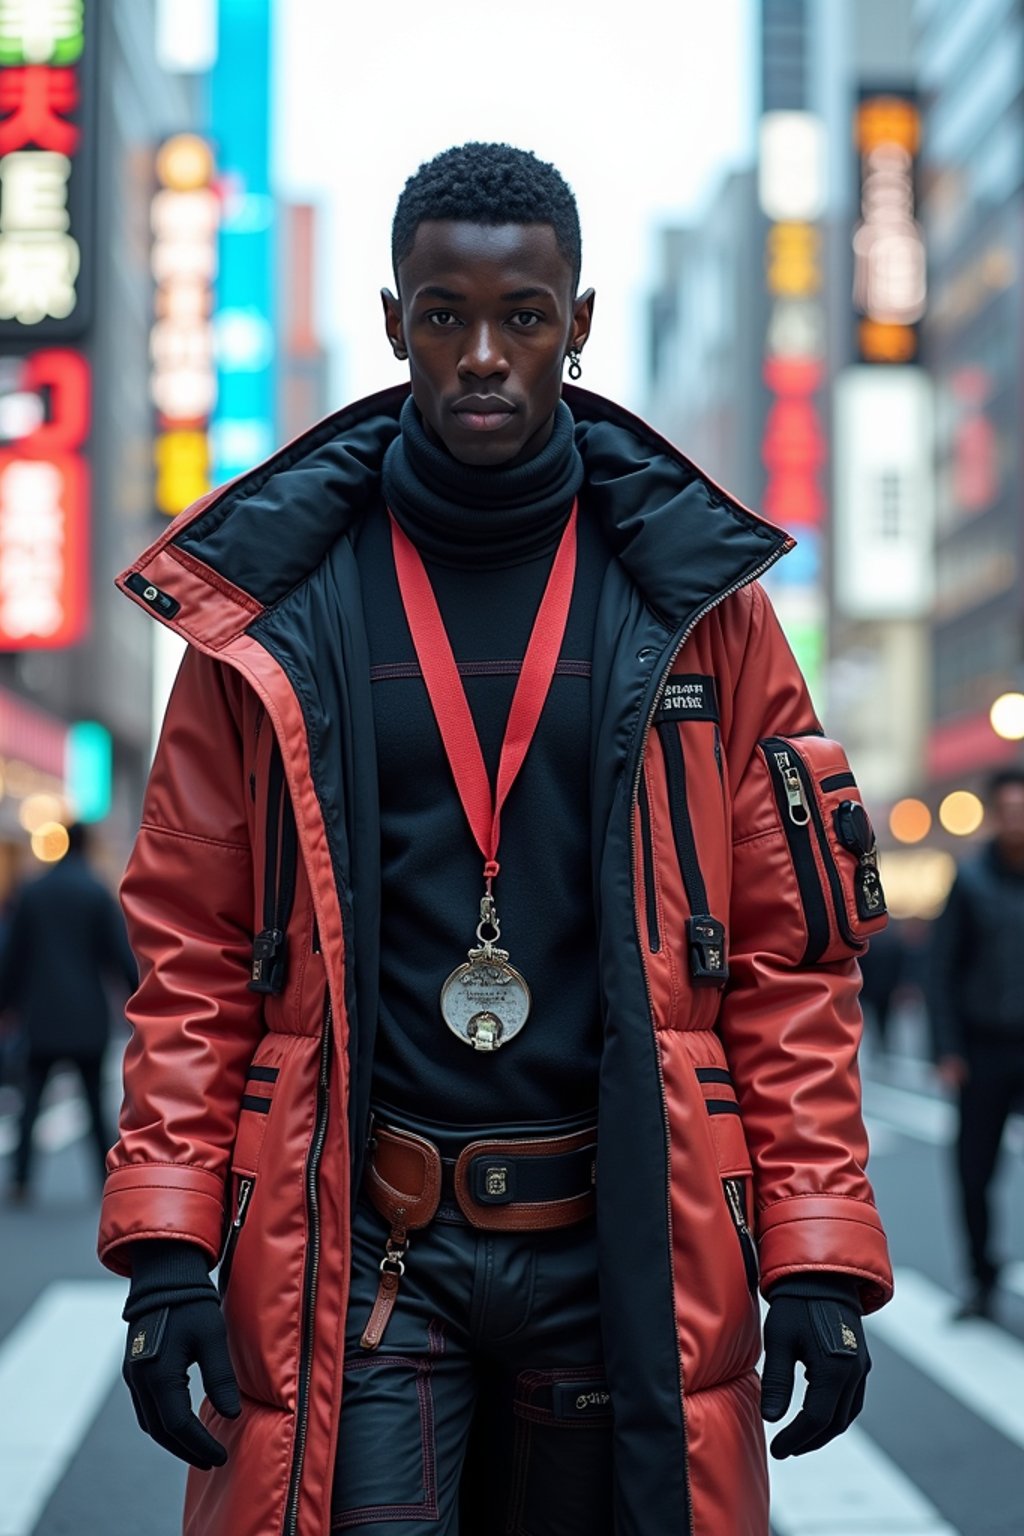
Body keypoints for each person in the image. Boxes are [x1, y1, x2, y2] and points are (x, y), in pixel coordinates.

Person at [98, 143, 893, 1536]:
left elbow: (787, 958)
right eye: (445, 314)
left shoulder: (707, 604)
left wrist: (817, 1253)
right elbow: (195, 955)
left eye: (523, 317)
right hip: (369, 1243)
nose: (482, 354)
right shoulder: (266, 613)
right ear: (393, 317)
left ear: (578, 325)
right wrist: (167, 1249)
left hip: (621, 1243)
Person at [930, 766, 1024, 1321]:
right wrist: (947, 1049)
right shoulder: (969, 881)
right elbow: (940, 969)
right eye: (1008, 810)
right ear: (994, 814)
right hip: (983, 1049)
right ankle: (981, 1280)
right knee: (973, 1171)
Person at [2, 821, 136, 1202]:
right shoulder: (95, 893)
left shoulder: (32, 892)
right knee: (94, 1103)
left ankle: (21, 1179)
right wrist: (139, 1001)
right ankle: (103, 1177)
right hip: (86, 1017)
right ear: (87, 845)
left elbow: (14, 958)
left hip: (41, 1014)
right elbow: (118, 956)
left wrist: (5, 1005)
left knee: (32, 1101)